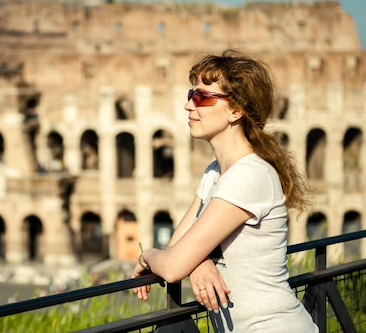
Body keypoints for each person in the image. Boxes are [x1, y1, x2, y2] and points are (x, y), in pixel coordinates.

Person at [132, 50, 318, 332]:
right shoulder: (214, 173)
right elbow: (177, 248)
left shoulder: (250, 176)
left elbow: (170, 267)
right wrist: (198, 262)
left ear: (235, 110)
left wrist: (147, 256)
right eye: (190, 94)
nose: (189, 106)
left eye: (203, 98)